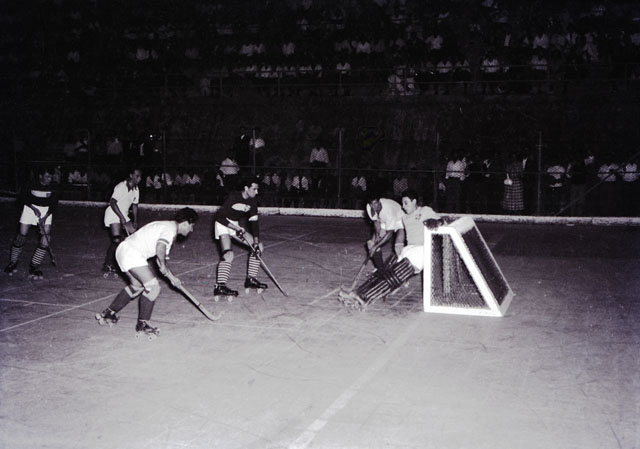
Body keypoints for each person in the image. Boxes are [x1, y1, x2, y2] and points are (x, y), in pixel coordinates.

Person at [95, 207, 199, 338]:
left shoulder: (166, 225)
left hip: (123, 250)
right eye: (191, 226)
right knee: (153, 287)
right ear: (185, 223)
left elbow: (161, 260)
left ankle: (109, 313)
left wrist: (172, 278)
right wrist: (164, 267)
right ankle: (142, 325)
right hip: (132, 253)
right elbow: (160, 249)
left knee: (137, 286)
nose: (191, 230)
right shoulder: (170, 230)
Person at [339, 190, 443, 308]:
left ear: (414, 201)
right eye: (402, 203)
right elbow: (380, 227)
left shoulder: (425, 210)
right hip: (408, 251)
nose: (403, 206)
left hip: (420, 253)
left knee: (391, 278)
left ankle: (364, 297)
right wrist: (374, 242)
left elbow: (443, 222)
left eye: (406, 203)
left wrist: (437, 222)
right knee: (384, 271)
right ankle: (359, 291)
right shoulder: (405, 217)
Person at [213, 176, 267, 299]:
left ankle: (251, 279)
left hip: (235, 225)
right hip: (223, 224)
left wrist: (255, 242)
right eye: (254, 189)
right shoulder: (233, 196)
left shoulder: (252, 201)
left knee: (258, 247)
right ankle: (220, 286)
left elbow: (254, 222)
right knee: (228, 254)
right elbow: (219, 217)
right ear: (246, 188)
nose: (257, 192)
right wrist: (236, 228)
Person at [4, 167, 60, 279]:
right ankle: (13, 262)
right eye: (47, 176)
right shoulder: (30, 184)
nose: (50, 179)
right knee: (21, 236)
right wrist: (33, 209)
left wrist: (45, 217)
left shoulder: (54, 186)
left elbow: (54, 204)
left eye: (50, 176)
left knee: (45, 238)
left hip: (46, 211)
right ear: (40, 176)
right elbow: (22, 199)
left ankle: (34, 266)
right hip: (30, 208)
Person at [102, 168, 142, 276]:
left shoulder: (136, 189)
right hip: (113, 213)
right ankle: (107, 265)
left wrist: (135, 220)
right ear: (131, 175)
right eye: (137, 176)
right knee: (116, 240)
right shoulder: (121, 186)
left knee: (135, 236)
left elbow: (135, 205)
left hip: (123, 214)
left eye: (140, 176)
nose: (139, 179)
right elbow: (112, 203)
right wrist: (121, 218)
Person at [365, 195, 405, 271]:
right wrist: (377, 236)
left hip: (400, 219)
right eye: (371, 204)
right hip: (384, 220)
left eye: (375, 203)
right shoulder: (369, 207)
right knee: (371, 244)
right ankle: (380, 270)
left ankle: (402, 273)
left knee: (398, 247)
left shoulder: (388, 210)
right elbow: (376, 221)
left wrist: (376, 246)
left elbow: (389, 233)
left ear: (379, 201)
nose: (374, 206)